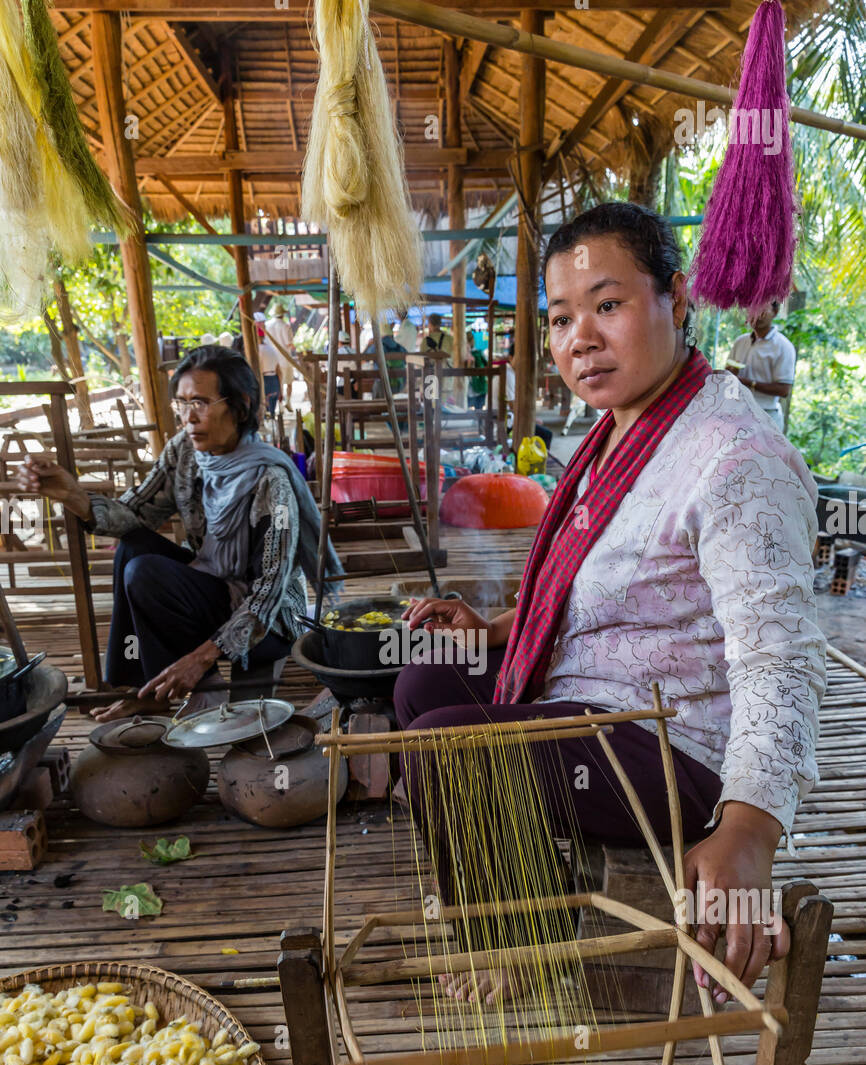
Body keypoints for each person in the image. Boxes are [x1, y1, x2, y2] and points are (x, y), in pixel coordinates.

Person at [395, 201, 825, 1007]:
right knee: (424, 682)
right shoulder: (619, 432)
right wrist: (495, 629)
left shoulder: (736, 458)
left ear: (678, 297)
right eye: (561, 318)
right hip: (592, 695)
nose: (579, 339)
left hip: (676, 744)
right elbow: (609, 589)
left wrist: (750, 829)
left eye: (608, 304)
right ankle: (524, 892)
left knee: (443, 750)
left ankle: (523, 938)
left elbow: (784, 659)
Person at [18, 345, 341, 723]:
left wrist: (197, 661)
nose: (188, 417)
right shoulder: (185, 453)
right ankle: (143, 687)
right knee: (133, 549)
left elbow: (267, 597)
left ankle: (196, 685)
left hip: (269, 622)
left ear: (240, 404)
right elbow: (134, 515)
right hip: (212, 585)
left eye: (201, 403)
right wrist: (71, 494)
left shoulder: (271, 480)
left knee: (145, 573)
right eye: (182, 403)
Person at [726, 301, 796, 433]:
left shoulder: (783, 346)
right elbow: (727, 371)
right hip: (738, 414)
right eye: (751, 309)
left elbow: (784, 389)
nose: (756, 314)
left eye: (762, 309)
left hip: (766, 416)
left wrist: (749, 383)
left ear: (775, 312)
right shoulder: (741, 341)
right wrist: (730, 374)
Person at [257, 323, 283, 416]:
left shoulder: (258, 350)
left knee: (266, 412)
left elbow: (259, 369)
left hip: (265, 381)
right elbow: (279, 370)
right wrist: (281, 390)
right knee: (271, 412)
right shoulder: (272, 349)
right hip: (274, 380)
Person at [466, 330, 488, 410]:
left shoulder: (477, 354)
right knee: (479, 411)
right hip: (479, 387)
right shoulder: (479, 353)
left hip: (474, 388)